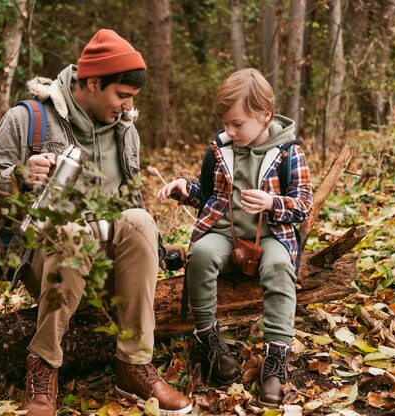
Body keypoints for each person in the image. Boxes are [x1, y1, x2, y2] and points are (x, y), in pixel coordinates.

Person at [0, 29, 192, 416]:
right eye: (121, 96)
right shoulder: (28, 118)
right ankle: (43, 366)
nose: (127, 107)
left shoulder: (126, 131)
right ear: (93, 82)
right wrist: (19, 175)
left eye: (132, 99)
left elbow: (131, 201)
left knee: (142, 221)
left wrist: (160, 253)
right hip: (45, 258)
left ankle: (133, 365)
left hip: (106, 265)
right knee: (74, 234)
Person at [157, 68, 314, 407]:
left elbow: (303, 204)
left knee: (277, 267)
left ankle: (275, 357)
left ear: (264, 115)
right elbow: (209, 195)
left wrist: (274, 203)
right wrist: (185, 190)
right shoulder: (221, 148)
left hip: (270, 235)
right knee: (200, 253)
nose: (229, 130)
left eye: (237, 124)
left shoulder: (288, 152)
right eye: (226, 123)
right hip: (224, 232)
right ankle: (209, 340)